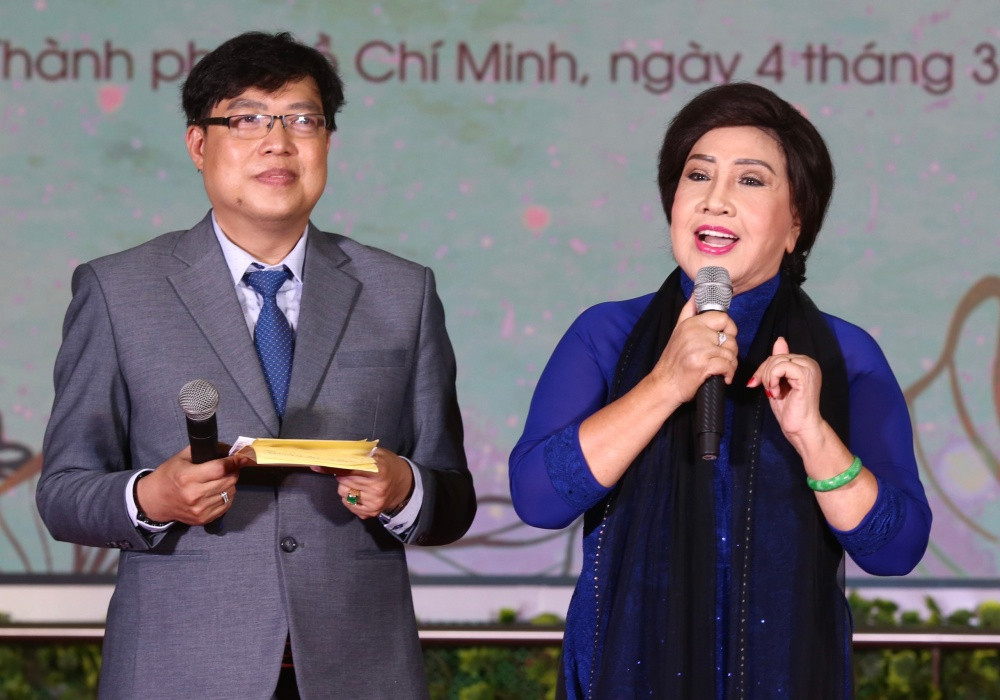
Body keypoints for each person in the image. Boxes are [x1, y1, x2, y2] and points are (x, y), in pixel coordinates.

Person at [37, 31, 476, 700]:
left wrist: (405, 489)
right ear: (198, 145)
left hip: (359, 671)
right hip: (180, 673)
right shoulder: (118, 290)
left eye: (302, 120)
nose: (278, 143)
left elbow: (453, 498)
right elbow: (64, 492)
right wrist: (152, 498)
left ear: (326, 142)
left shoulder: (401, 292)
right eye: (246, 120)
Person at [508, 82, 931, 699]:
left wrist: (814, 438)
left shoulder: (846, 354)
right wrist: (663, 385)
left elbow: (896, 551)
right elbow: (537, 499)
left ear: (796, 224)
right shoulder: (607, 333)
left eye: (750, 180)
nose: (716, 200)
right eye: (698, 175)